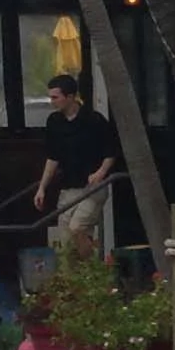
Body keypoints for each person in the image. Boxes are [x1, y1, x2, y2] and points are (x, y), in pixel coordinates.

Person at [33, 72, 119, 251]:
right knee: (66, 239)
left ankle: (92, 269)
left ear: (70, 97)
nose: (52, 102)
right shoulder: (54, 122)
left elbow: (111, 151)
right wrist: (42, 187)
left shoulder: (94, 120)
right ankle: (77, 274)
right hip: (68, 187)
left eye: (55, 97)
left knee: (77, 228)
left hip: (92, 187)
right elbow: (52, 157)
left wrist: (101, 173)